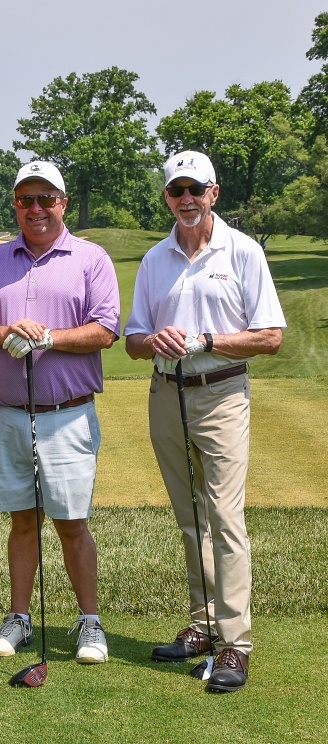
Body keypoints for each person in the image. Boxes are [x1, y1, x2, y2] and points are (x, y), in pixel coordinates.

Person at [124, 150, 285, 692]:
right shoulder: (154, 259)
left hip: (221, 392)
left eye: (196, 189)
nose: (186, 199)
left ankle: (235, 645)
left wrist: (208, 340)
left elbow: (270, 336)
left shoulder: (241, 252)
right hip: (166, 392)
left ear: (214, 193)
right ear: (167, 197)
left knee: (225, 518)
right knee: (190, 515)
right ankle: (203, 625)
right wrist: (155, 341)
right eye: (176, 191)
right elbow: (132, 340)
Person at [0, 161, 120, 664]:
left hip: (67, 415)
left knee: (71, 522)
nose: (36, 208)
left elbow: (105, 330)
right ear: (16, 205)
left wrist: (48, 337)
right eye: (26, 199)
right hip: (9, 413)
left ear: (63, 203)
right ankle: (19, 618)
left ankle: (90, 623)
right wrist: (9, 333)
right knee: (22, 521)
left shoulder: (90, 258)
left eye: (46, 198)